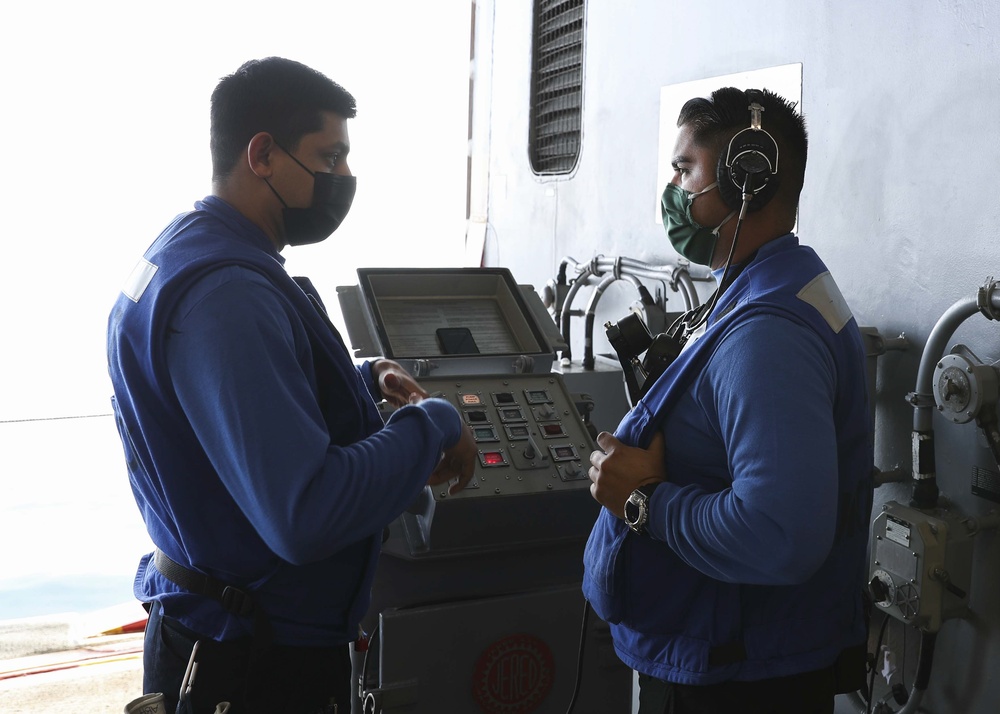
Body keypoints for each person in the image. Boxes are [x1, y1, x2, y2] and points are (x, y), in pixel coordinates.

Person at [107, 57, 476, 714]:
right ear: (263, 155)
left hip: (226, 628)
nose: (343, 178)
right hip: (252, 662)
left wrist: (364, 382)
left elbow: (226, 400)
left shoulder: (186, 253)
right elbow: (305, 515)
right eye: (329, 157)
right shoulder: (228, 295)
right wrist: (437, 423)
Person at [583, 87, 873, 714]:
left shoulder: (768, 335)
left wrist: (643, 503)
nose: (673, 189)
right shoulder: (779, 284)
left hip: (734, 680)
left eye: (685, 170)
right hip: (739, 658)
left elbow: (779, 534)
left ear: (746, 180)